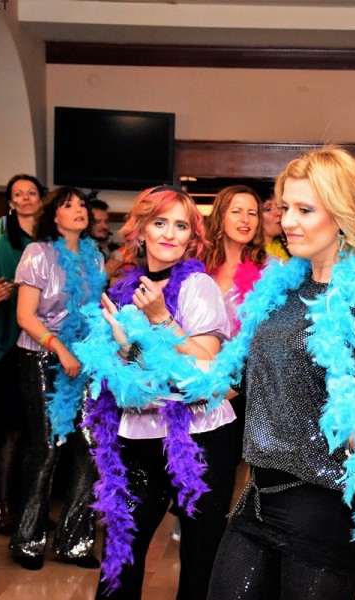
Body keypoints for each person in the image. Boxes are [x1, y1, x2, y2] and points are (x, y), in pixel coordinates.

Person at [193, 146, 355, 600]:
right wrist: (144, 344)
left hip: (323, 505)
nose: (288, 221)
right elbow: (234, 376)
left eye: (305, 209)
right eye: (285, 208)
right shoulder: (281, 288)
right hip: (260, 492)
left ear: (341, 214)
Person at [72, 185, 233, 599]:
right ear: (141, 230)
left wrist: (161, 318)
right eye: (160, 223)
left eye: (181, 226)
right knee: (122, 548)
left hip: (199, 438)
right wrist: (124, 349)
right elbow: (128, 370)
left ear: (191, 236)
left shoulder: (198, 287)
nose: (169, 234)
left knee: (200, 555)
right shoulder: (123, 290)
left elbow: (206, 368)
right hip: (139, 434)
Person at [10, 186, 104, 570]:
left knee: (90, 447)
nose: (79, 210)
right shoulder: (38, 253)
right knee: (47, 447)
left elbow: (95, 314)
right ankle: (28, 541)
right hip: (41, 356)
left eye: (82, 204)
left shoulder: (95, 257)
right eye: (69, 205)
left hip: (83, 362)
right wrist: (60, 350)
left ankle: (74, 542)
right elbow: (25, 316)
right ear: (53, 214)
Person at [0, 174, 45, 535]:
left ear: (41, 199)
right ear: (10, 203)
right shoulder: (4, 244)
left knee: (38, 433)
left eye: (31, 192)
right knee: (9, 430)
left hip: (45, 349)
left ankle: (30, 507)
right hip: (10, 345)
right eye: (18, 194)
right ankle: (1, 504)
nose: (26, 198)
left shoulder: (52, 243)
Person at [203, 184, 275, 455]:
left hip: (248, 390)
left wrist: (237, 383)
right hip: (200, 384)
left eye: (252, 213)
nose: (245, 219)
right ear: (220, 216)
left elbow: (275, 336)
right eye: (236, 211)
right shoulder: (198, 268)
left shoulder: (272, 270)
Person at [260, 195, 289, 260]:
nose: (279, 213)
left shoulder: (290, 247)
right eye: (268, 209)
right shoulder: (247, 256)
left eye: (279, 207)